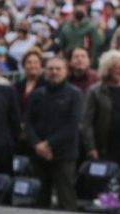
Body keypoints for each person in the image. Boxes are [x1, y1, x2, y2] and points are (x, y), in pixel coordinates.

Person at [25, 56, 84, 210]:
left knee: (66, 200)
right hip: (38, 154)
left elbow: (72, 125)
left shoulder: (75, 94)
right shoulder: (37, 94)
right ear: (44, 71)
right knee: (39, 200)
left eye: (58, 69)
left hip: (64, 155)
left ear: (66, 71)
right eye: (50, 69)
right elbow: (28, 123)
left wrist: (48, 144)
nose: (54, 72)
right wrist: (37, 145)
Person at [14, 47, 46, 118]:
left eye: (36, 62)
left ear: (41, 65)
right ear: (24, 66)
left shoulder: (47, 85)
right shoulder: (16, 86)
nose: (32, 65)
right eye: (29, 62)